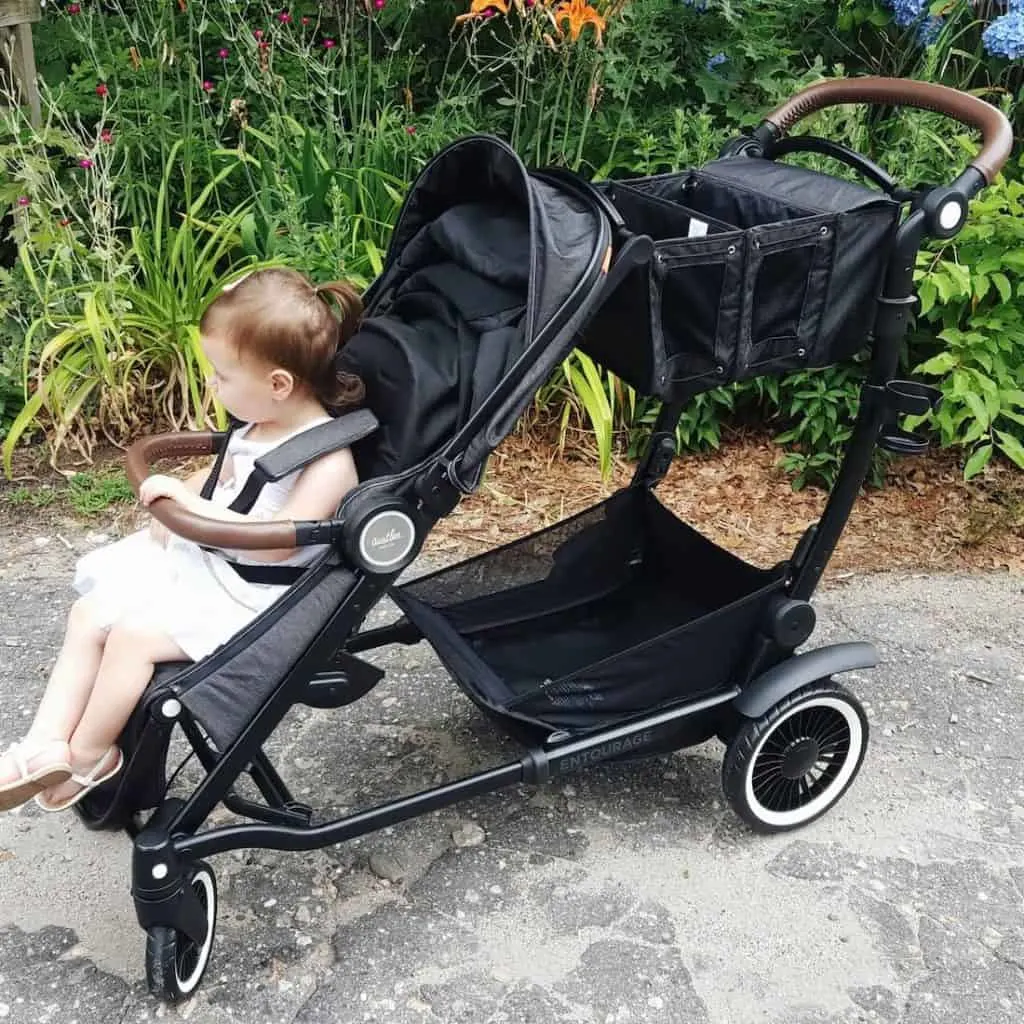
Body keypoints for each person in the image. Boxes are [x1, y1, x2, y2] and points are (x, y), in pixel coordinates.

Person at [0, 268, 363, 813]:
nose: (212, 386)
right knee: (90, 613)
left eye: (221, 375)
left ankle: (89, 755)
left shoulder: (329, 461)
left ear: (279, 384)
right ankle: (43, 744)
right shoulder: (260, 423)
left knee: (131, 637)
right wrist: (182, 499)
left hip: (253, 595)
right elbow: (226, 477)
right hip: (209, 562)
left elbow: (276, 544)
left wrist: (189, 508)